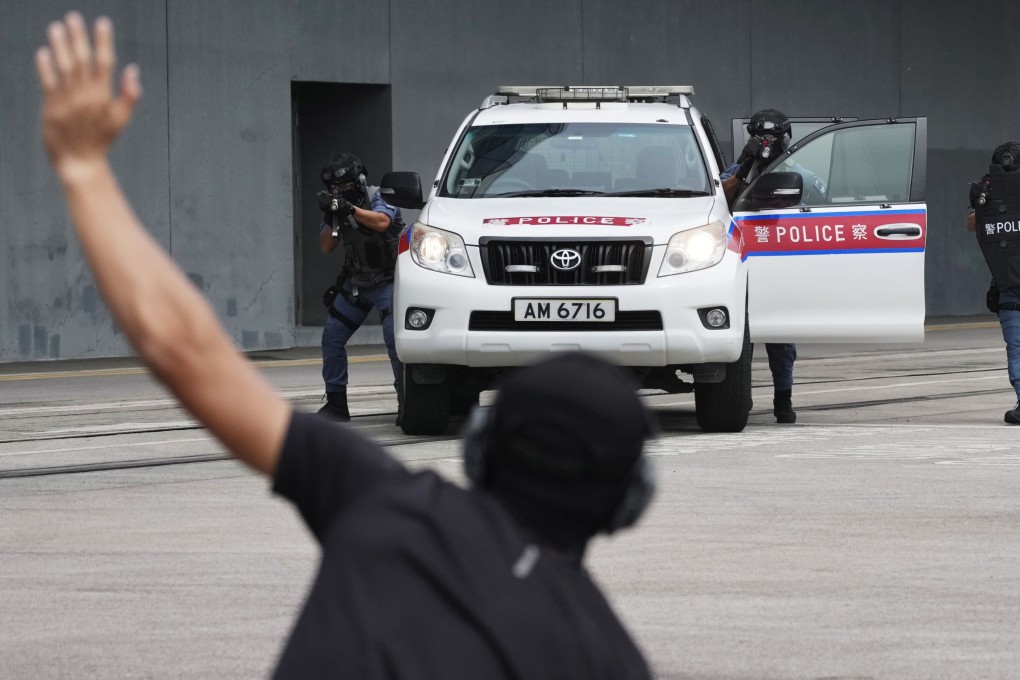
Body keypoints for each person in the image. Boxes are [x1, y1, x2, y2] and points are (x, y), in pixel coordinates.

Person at [34, 13, 656, 678]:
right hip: (356, 290)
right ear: (627, 503)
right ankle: (338, 396)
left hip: (383, 292)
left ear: (479, 449)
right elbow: (326, 248)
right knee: (338, 342)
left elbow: (183, 348)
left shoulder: (382, 502)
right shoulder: (604, 656)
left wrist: (82, 169)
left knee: (394, 344)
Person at [720, 108, 815, 424]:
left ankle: (783, 399)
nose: (765, 142)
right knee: (738, 336)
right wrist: (745, 168)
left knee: (781, 336)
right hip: (740, 258)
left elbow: (818, 196)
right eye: (759, 136)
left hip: (779, 260)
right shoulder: (739, 170)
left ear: (785, 138)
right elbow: (718, 197)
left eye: (772, 137)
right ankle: (738, 397)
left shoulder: (799, 171)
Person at [315, 152, 403, 422]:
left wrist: (349, 209)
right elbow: (326, 246)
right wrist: (333, 214)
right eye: (334, 189)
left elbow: (382, 222)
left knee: (395, 341)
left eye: (343, 186)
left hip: (389, 282)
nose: (338, 192)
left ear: (360, 180)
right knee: (332, 337)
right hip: (357, 283)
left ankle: (407, 402)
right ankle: (337, 405)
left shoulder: (381, 195)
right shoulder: (337, 207)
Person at [967, 142, 1020, 424]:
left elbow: (972, 226)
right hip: (1008, 284)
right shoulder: (992, 193)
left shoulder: (989, 191)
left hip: (1008, 284)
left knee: (1016, 347)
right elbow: (974, 224)